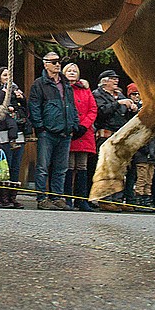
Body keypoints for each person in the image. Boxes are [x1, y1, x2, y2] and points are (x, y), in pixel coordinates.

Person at [27, 51, 78, 210]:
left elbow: (71, 105)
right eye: (54, 62)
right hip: (47, 132)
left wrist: (74, 124)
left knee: (61, 168)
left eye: (58, 62)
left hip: (65, 131)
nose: (57, 65)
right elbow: (34, 106)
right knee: (42, 166)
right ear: (45, 64)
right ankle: (42, 198)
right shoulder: (39, 84)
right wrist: (40, 127)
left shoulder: (66, 84)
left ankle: (57, 197)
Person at [0, 66, 27, 208]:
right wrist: (3, 93)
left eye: (9, 76)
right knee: (6, 166)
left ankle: (13, 197)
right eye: (5, 75)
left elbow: (25, 110)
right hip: (4, 133)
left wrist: (22, 99)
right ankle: (3, 197)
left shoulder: (16, 92)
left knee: (16, 167)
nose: (7, 78)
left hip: (19, 134)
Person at [63, 62, 97, 211]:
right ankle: (67, 198)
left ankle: (81, 199)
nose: (72, 73)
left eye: (74, 71)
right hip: (69, 131)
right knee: (69, 165)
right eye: (69, 70)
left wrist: (84, 125)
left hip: (85, 132)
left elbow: (93, 109)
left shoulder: (85, 89)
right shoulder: (62, 88)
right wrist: (73, 126)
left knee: (82, 166)